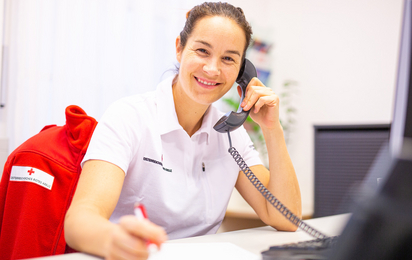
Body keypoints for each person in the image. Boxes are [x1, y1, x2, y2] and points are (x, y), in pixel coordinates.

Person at [64, 2, 302, 260]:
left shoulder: (231, 135)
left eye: (228, 59)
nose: (212, 69)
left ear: (242, 72)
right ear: (179, 48)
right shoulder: (129, 116)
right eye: (202, 50)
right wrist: (114, 240)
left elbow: (285, 218)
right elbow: (79, 221)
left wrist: (272, 129)